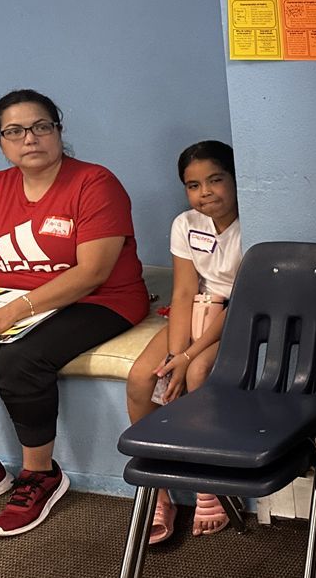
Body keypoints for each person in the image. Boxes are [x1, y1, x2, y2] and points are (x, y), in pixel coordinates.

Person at [0, 89, 149, 536]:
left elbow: (92, 272)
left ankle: (40, 475)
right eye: (15, 131)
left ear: (58, 131)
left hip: (99, 299)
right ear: (0, 141)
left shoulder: (95, 182)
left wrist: (6, 316)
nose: (30, 138)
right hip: (13, 298)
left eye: (42, 126)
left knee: (19, 361)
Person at [125, 140, 241, 543]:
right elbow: (182, 290)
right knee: (144, 376)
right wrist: (173, 354)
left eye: (216, 180)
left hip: (234, 315)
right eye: (193, 185)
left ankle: (209, 482)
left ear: (235, 178)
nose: (205, 192)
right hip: (194, 309)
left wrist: (189, 354)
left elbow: (240, 301)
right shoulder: (185, 223)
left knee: (197, 373)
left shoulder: (254, 223)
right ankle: (158, 488)